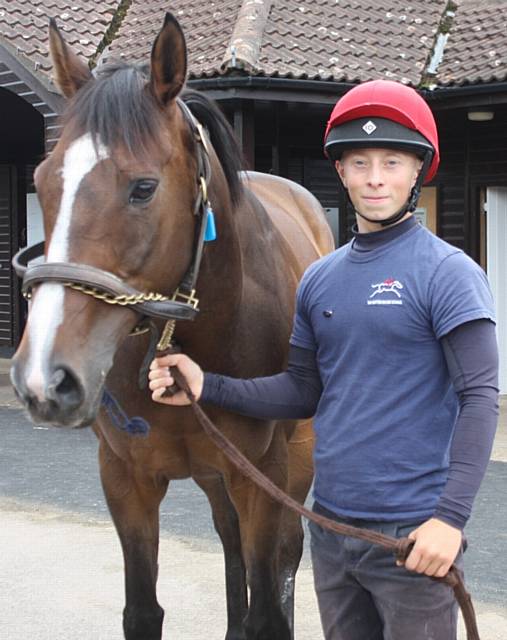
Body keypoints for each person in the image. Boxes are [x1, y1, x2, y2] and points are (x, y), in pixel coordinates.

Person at [148, 80, 499, 640]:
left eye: (392, 161)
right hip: (332, 529)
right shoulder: (320, 279)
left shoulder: (449, 273)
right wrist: (205, 384)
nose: (375, 178)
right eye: (359, 162)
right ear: (341, 172)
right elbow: (300, 392)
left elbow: (481, 398)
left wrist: (450, 521)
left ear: (418, 171)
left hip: (412, 538)